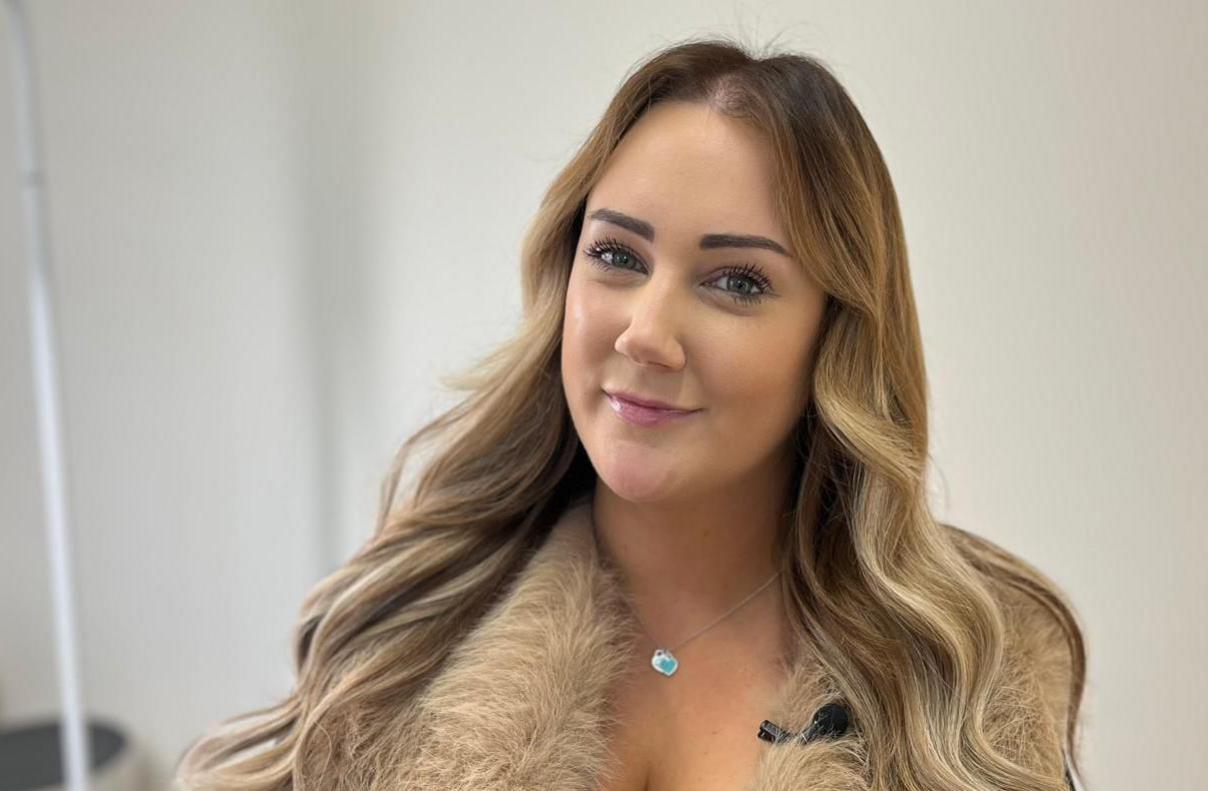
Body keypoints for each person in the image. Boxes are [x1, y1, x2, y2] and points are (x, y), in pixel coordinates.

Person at [175, 34, 1087, 791]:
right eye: (617, 255)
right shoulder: (401, 637)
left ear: (832, 336)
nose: (648, 333)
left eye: (736, 280)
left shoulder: (973, 679)